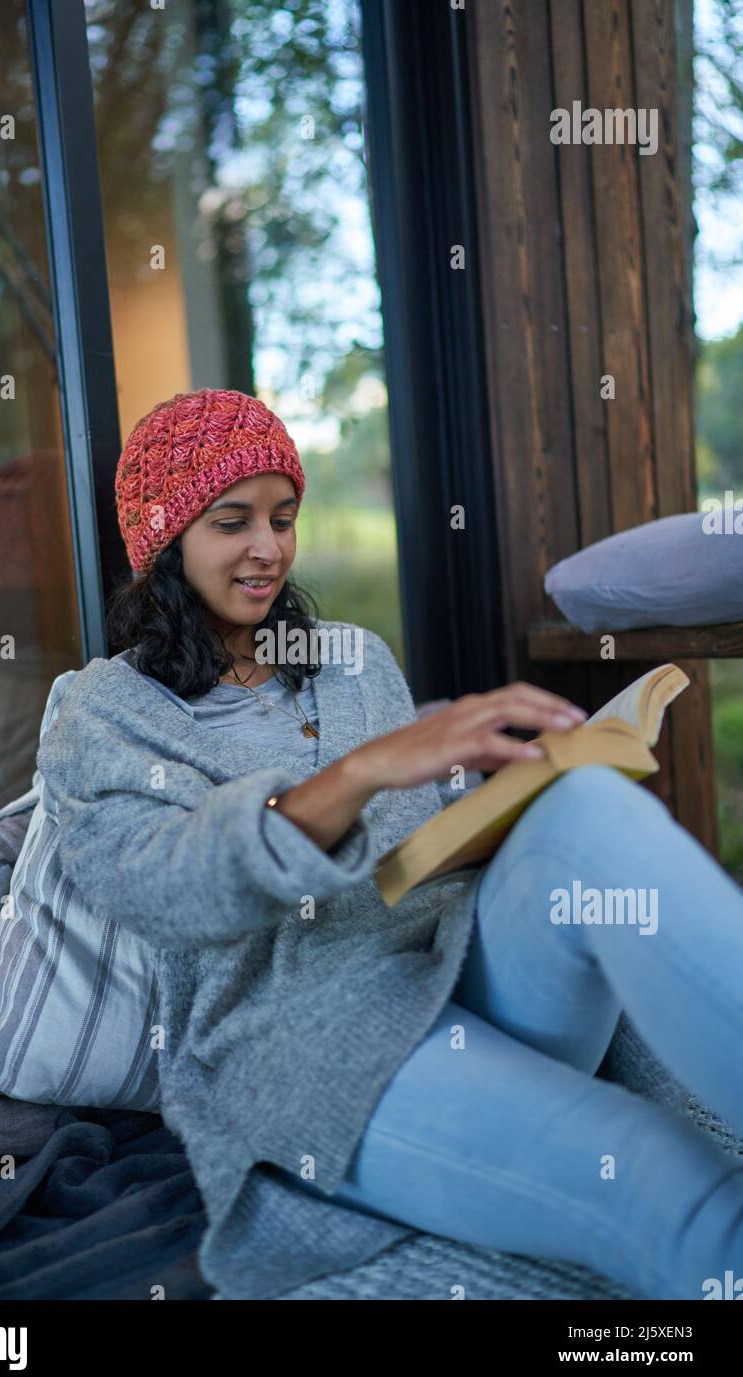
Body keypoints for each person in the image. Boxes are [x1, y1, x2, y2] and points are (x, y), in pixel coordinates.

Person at [37, 387, 743, 1302]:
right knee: (664, 1180)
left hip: (452, 970)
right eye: (231, 522)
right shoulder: (104, 712)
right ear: (164, 542)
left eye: (283, 518)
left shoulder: (355, 659)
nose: (268, 548)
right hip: (302, 1045)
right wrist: (361, 774)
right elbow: (160, 888)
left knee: (583, 818)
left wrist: (507, 805)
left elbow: (425, 847)